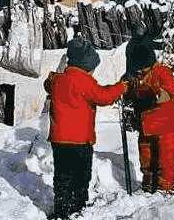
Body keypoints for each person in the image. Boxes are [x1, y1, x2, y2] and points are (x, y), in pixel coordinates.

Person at [44, 37, 128, 219]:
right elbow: (103, 96)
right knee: (80, 176)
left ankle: (61, 209)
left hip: (59, 140)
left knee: (63, 176)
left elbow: (48, 84)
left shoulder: (59, 80)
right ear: (84, 64)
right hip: (79, 140)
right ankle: (78, 208)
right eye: (92, 69)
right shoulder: (82, 80)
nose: (92, 73)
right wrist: (121, 87)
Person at [125, 34, 174, 194]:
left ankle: (165, 187)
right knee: (146, 156)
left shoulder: (162, 71)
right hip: (146, 124)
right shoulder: (136, 76)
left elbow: (170, 90)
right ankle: (148, 181)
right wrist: (127, 93)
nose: (140, 71)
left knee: (165, 158)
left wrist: (155, 92)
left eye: (143, 67)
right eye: (137, 68)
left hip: (165, 125)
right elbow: (130, 90)